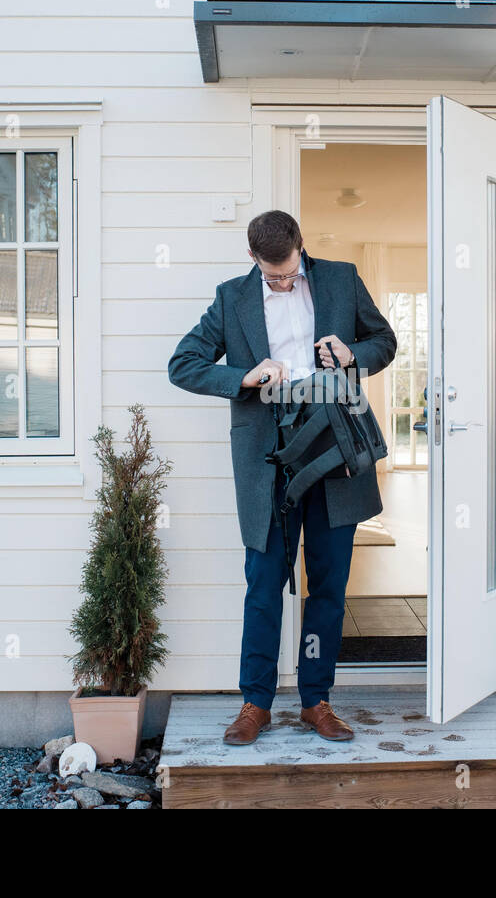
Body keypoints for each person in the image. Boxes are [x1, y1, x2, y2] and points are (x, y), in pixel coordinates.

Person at [167, 210, 397, 744]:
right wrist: (243, 376)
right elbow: (183, 363)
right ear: (253, 259)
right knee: (264, 585)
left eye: (291, 273)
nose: (285, 283)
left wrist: (351, 353)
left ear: (301, 247)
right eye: (275, 277)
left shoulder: (341, 278)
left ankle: (316, 700)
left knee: (329, 586)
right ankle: (256, 703)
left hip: (335, 453)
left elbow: (384, 341)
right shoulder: (231, 298)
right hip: (267, 463)